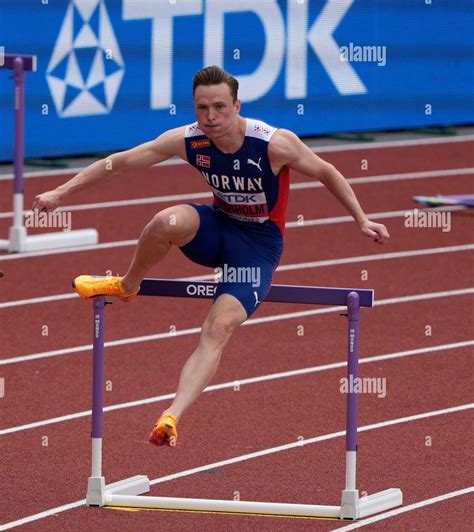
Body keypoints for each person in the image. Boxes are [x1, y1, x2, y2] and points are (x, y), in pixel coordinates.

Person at [33, 65, 389, 447]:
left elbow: (326, 171)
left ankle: (171, 416)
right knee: (163, 221)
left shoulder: (273, 144)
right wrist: (60, 193)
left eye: (220, 107)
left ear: (237, 105)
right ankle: (127, 284)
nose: (210, 117)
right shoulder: (189, 140)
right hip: (216, 227)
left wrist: (362, 218)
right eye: (202, 108)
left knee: (218, 328)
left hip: (257, 247)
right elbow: (118, 163)